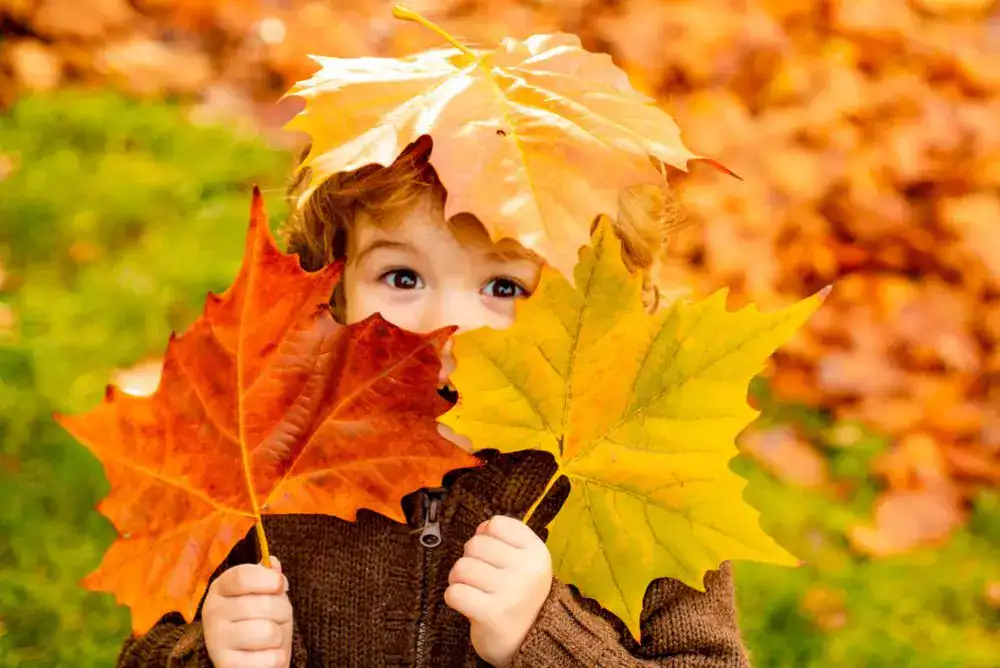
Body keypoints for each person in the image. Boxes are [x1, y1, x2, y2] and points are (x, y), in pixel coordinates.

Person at [116, 136, 751, 668]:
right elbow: (147, 645)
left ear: (593, 311)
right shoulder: (263, 456)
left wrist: (544, 635)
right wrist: (210, 652)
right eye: (402, 277)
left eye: (503, 285)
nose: (444, 324)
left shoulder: (639, 480)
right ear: (334, 283)